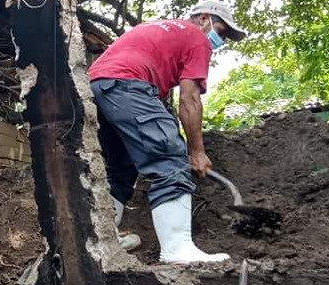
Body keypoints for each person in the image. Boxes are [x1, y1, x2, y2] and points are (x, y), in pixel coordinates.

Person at [89, 0, 246, 263]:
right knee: (169, 154)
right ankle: (177, 249)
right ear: (204, 18)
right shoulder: (197, 38)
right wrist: (196, 151)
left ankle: (104, 239)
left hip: (95, 87)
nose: (220, 41)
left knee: (122, 167)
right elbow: (189, 100)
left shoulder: (161, 29)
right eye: (220, 32)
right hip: (127, 83)